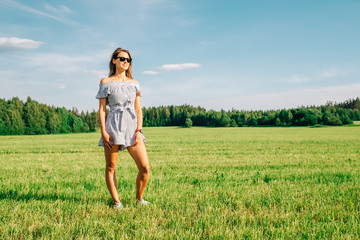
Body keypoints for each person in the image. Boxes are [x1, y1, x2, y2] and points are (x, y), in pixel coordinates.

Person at [96, 48, 150, 209]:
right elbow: (102, 109)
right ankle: (117, 202)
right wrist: (103, 132)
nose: (125, 62)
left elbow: (139, 109)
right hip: (113, 127)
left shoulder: (134, 83)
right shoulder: (105, 82)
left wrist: (139, 130)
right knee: (111, 167)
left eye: (128, 60)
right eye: (122, 59)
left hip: (132, 128)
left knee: (145, 168)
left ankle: (139, 199)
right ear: (114, 60)